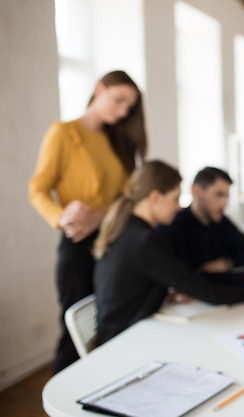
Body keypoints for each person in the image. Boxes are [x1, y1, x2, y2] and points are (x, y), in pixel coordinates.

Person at [28, 70, 147, 373]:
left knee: (110, 321)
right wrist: (60, 216)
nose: (121, 112)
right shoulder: (64, 133)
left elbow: (126, 200)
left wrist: (101, 216)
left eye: (128, 108)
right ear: (99, 88)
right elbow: (37, 188)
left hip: (111, 244)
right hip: (78, 244)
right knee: (76, 330)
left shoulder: (115, 142)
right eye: (119, 100)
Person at [92, 160, 244, 346]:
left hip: (119, 332)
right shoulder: (146, 241)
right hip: (123, 342)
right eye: (174, 199)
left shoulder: (127, 229)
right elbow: (208, 292)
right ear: (155, 197)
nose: (178, 207)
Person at [159, 167, 244, 287]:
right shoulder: (175, 225)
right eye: (219, 195)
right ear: (197, 192)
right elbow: (187, 278)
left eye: (226, 196)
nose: (225, 203)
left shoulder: (221, 222)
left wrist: (226, 263)